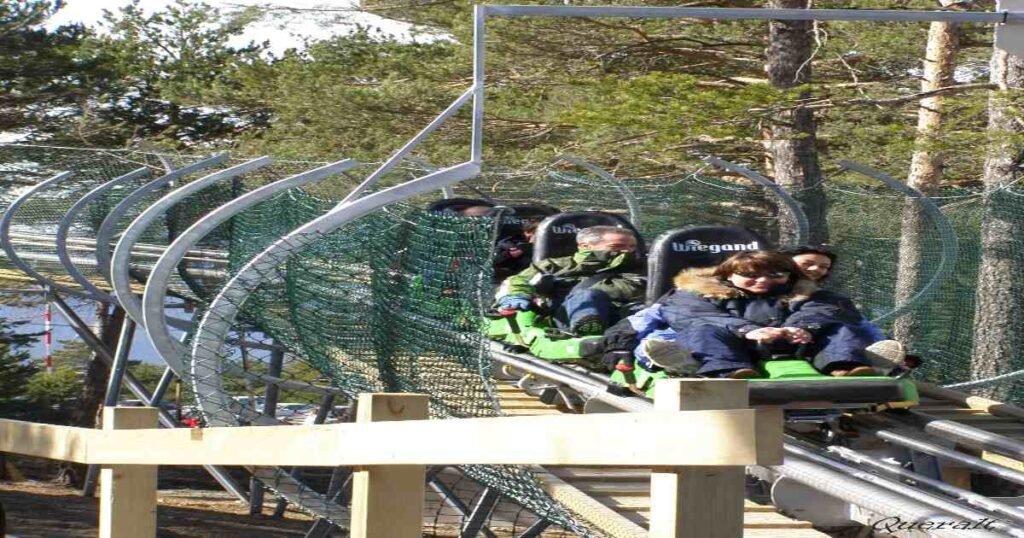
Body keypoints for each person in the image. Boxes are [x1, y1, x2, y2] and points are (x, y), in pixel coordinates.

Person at [604, 250, 877, 378]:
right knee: (701, 329)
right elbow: (695, 315)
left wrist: (804, 328)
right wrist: (748, 330)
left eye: (774, 275)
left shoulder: (808, 293)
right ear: (728, 275)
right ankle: (729, 372)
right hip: (736, 346)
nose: (762, 281)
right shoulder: (695, 293)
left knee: (841, 328)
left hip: (794, 345)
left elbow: (827, 310)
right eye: (750, 276)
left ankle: (845, 367)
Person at [496, 225, 645, 335]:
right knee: (586, 296)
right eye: (617, 246)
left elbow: (633, 288)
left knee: (588, 295)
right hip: (565, 314)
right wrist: (519, 294)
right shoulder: (553, 266)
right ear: (585, 246)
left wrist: (567, 287)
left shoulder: (642, 268)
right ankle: (587, 331)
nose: (627, 251)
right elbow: (520, 280)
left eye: (631, 246)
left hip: (622, 313)